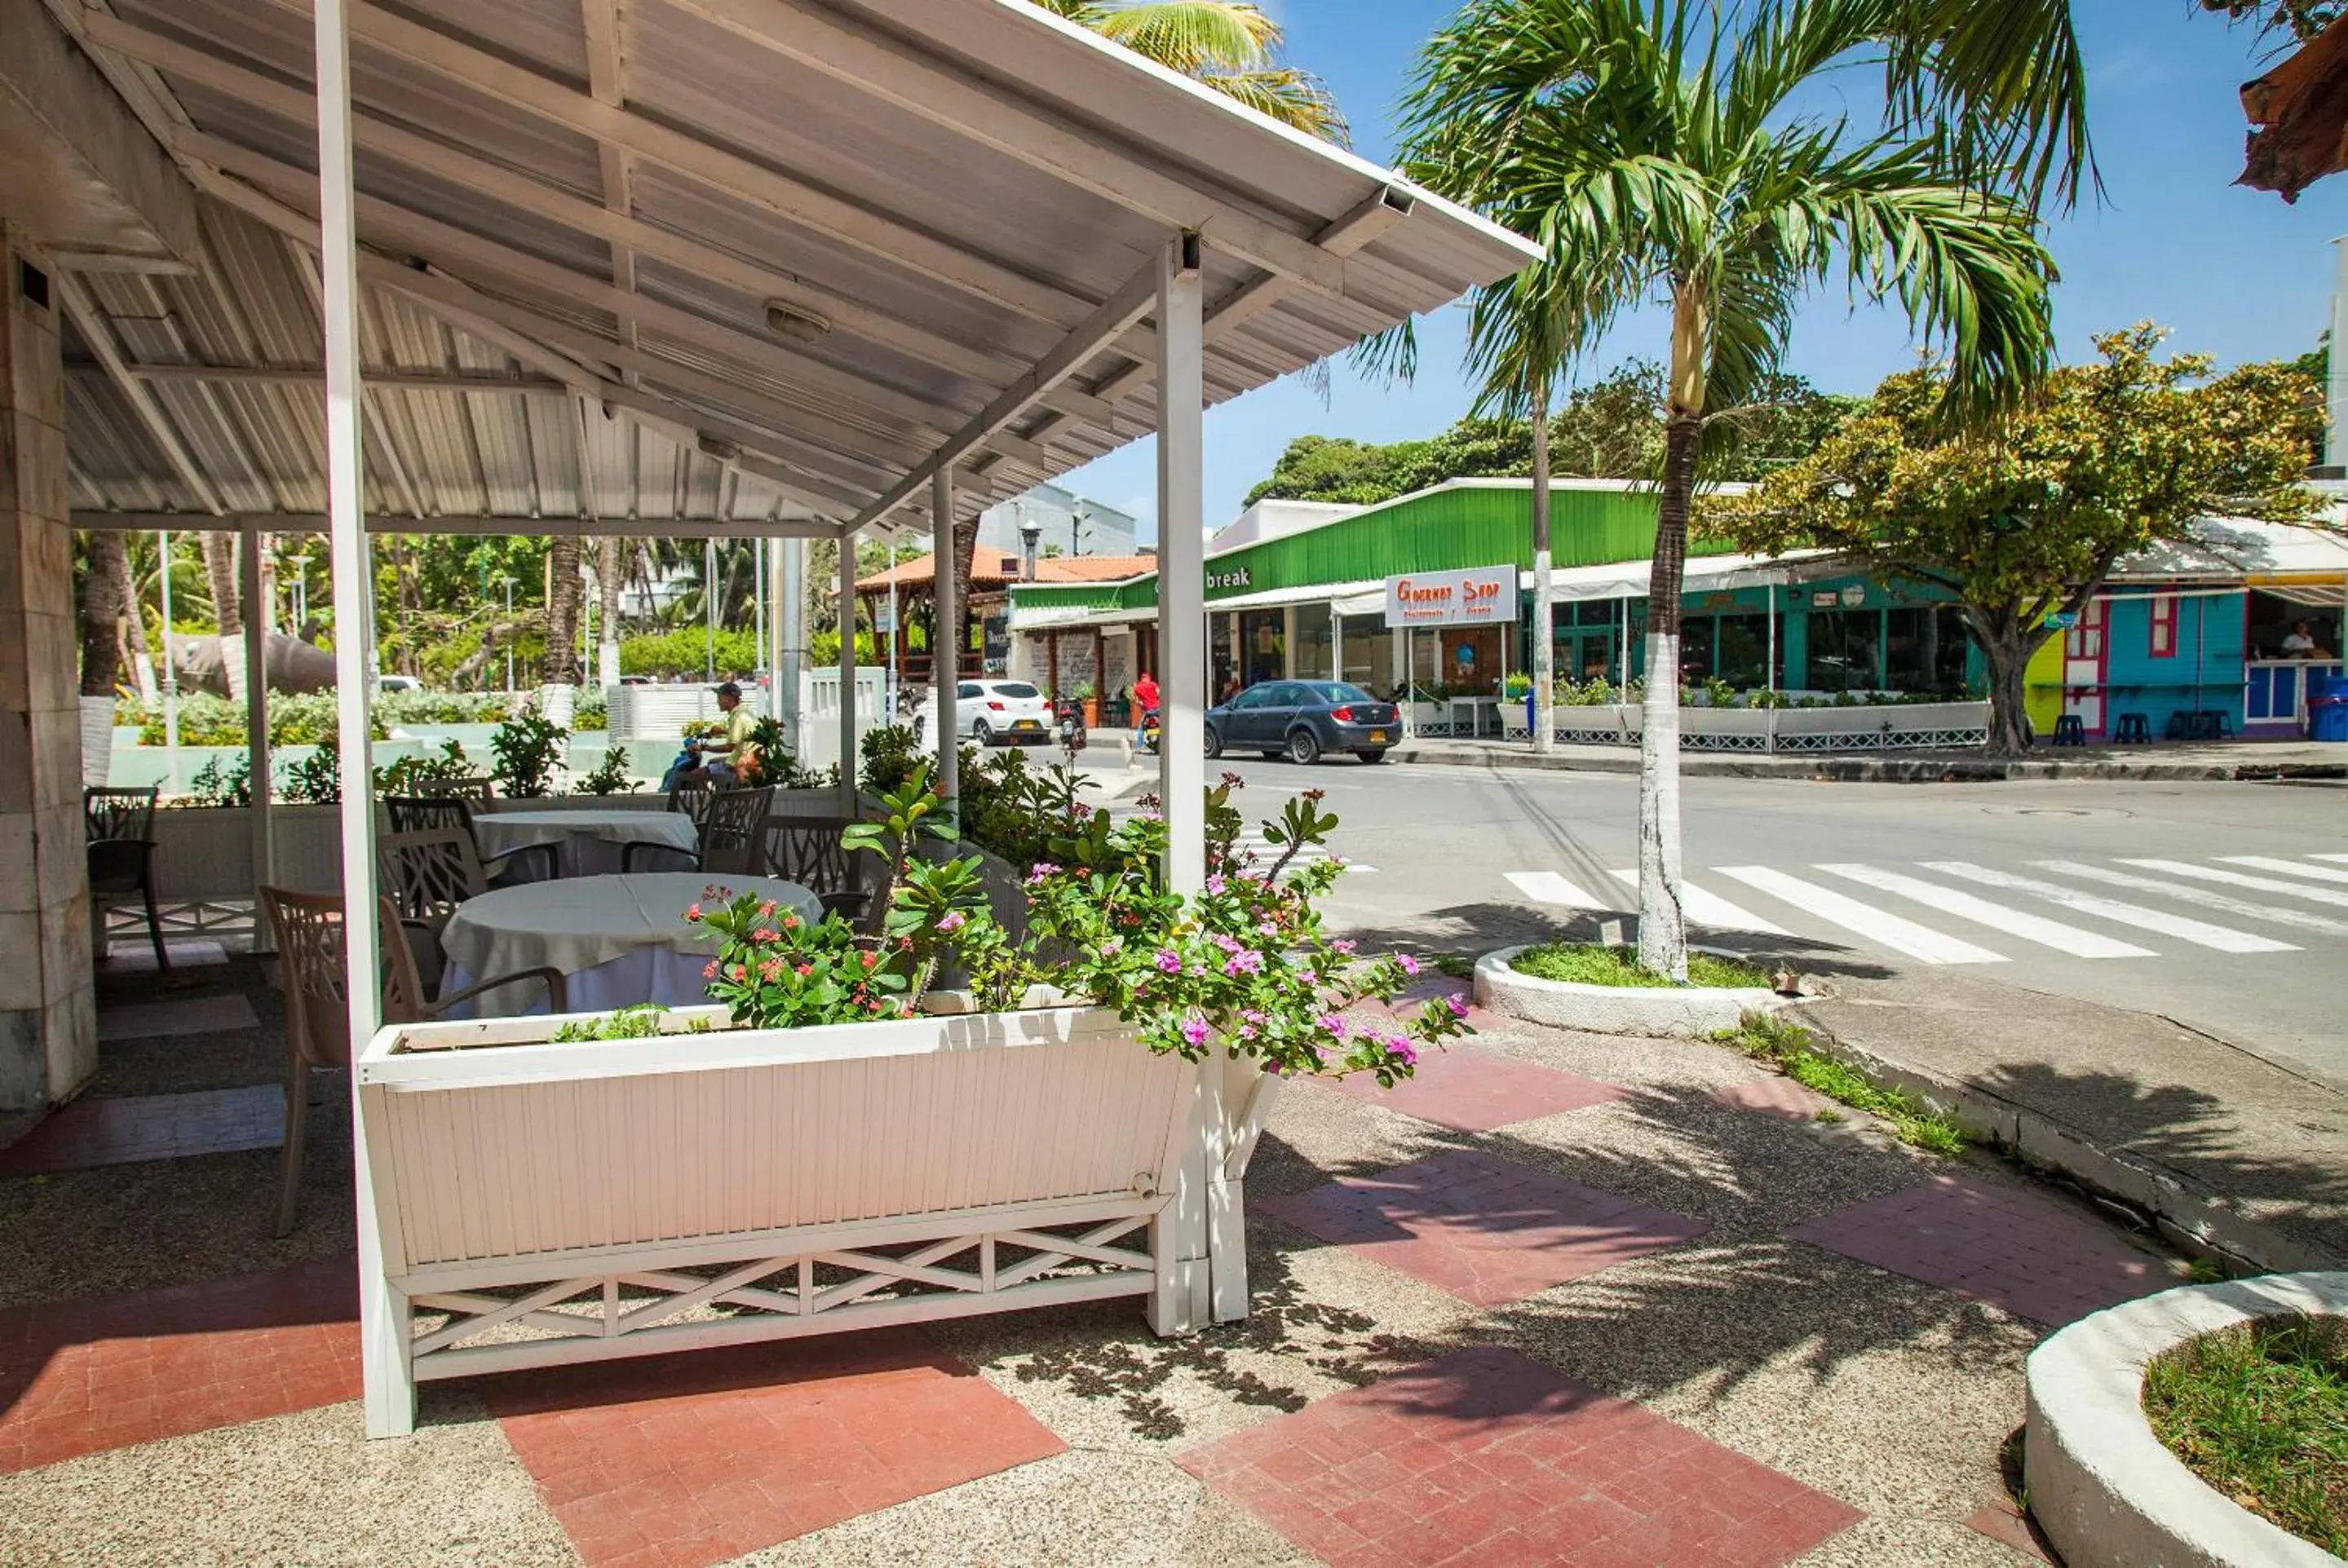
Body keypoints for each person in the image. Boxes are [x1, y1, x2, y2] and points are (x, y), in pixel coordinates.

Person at [695, 681, 758, 782]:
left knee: (697, 775)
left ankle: (712, 798)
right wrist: (724, 731)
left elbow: (729, 748)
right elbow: (744, 733)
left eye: (720, 698)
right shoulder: (746, 712)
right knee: (712, 762)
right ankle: (721, 792)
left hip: (740, 762)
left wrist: (703, 747)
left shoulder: (738, 718)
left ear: (730, 699)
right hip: (751, 758)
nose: (718, 702)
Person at [1131, 669, 1160, 744]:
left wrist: (1142, 703)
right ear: (1149, 678)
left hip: (1148, 711)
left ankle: (1140, 745)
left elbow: (1136, 701)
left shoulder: (1138, 688)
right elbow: (1158, 693)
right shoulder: (1153, 684)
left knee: (1140, 727)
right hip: (1158, 708)